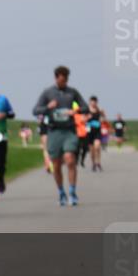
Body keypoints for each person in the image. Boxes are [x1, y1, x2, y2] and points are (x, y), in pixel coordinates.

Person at [32, 65, 88, 207]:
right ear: (56, 77)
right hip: (54, 131)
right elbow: (35, 110)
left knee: (70, 160)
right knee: (56, 165)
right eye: (62, 79)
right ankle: (61, 192)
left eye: (66, 79)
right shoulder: (48, 93)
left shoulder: (72, 92)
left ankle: (73, 192)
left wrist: (75, 111)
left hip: (69, 131)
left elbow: (85, 107)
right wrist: (48, 107)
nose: (65, 82)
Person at [87, 96, 107, 171]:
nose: (93, 103)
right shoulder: (86, 110)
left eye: (95, 101)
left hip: (97, 131)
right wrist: (86, 118)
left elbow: (104, 119)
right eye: (92, 101)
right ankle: (93, 163)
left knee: (97, 147)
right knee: (91, 150)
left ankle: (98, 162)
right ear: (89, 102)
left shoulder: (99, 110)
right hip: (89, 132)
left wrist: (103, 115)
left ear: (97, 102)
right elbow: (82, 119)